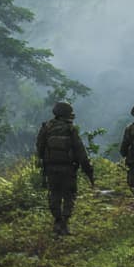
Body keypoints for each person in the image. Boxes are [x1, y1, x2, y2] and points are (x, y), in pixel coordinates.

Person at [35, 101, 94, 236]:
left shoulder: (47, 127)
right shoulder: (70, 129)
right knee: (69, 195)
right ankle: (65, 223)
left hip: (51, 167)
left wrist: (44, 162)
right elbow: (80, 150)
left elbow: (40, 147)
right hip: (68, 168)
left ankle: (57, 220)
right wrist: (88, 169)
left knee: (54, 193)